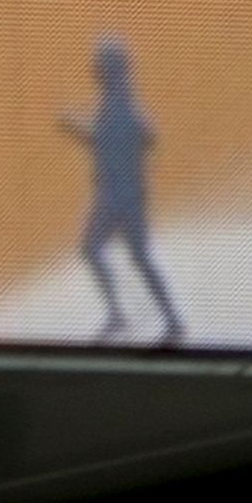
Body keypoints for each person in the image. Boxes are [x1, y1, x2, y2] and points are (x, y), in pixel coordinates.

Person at [60, 39, 182, 342]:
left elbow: (120, 138)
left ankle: (131, 315)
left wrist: (75, 127)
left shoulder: (118, 103)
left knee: (103, 250)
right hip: (126, 195)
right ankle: (159, 317)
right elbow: (142, 137)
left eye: (100, 66)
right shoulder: (121, 102)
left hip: (118, 195)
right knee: (127, 255)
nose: (95, 71)